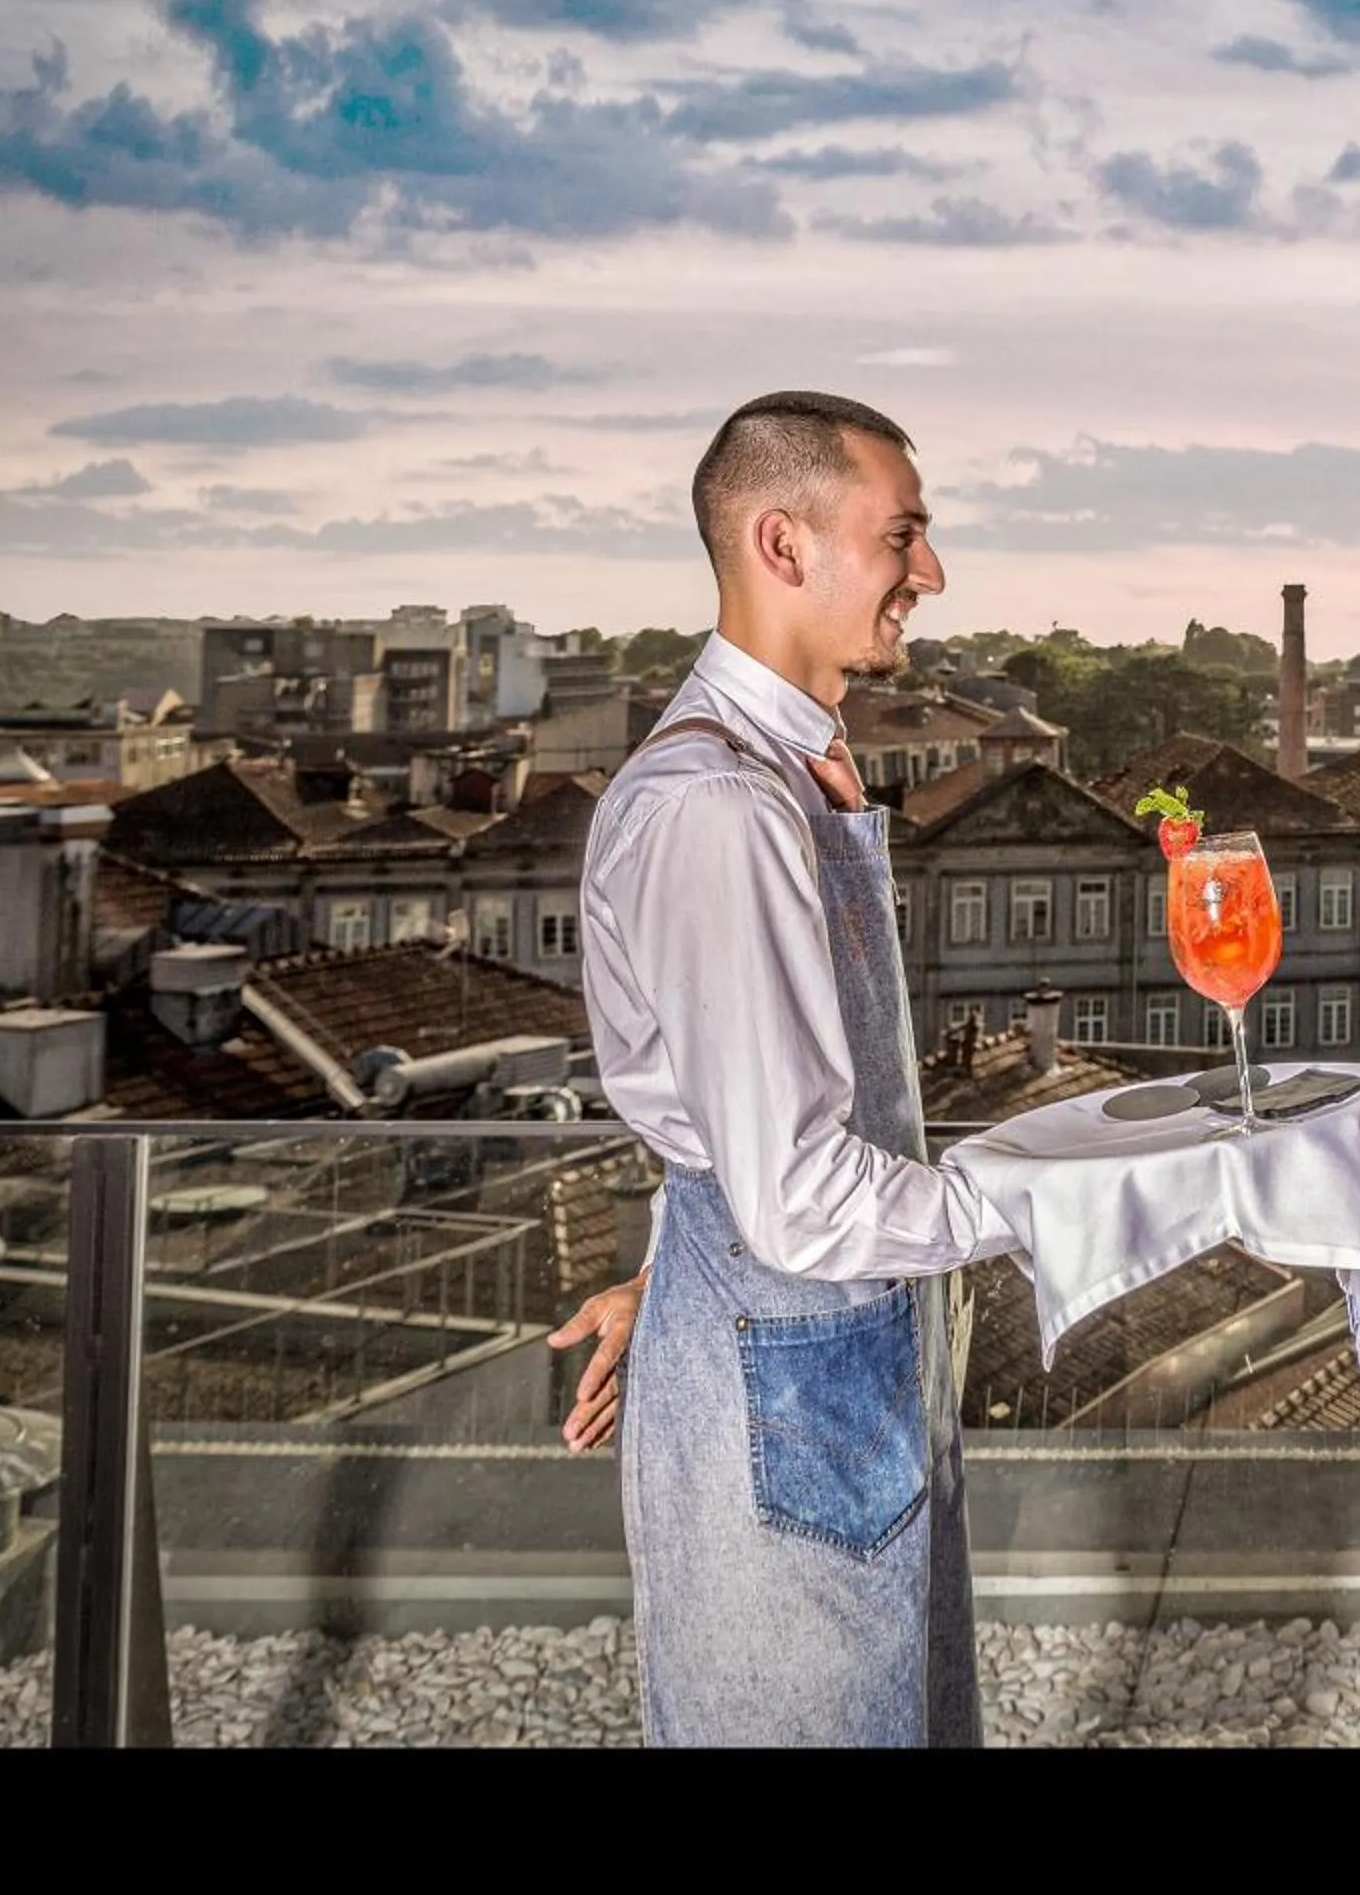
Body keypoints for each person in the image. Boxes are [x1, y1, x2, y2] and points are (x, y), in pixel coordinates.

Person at [548, 389, 1023, 1748]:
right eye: (905, 535)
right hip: (796, 1369)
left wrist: (682, 1274)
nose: (928, 573)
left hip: (825, 1351)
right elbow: (800, 1194)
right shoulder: (718, 805)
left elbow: (734, 1122)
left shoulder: (782, 773)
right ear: (783, 541)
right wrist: (1062, 1190)